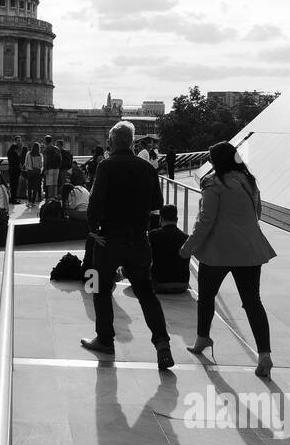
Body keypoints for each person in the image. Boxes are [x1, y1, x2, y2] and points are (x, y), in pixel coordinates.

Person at [81, 120, 174, 371]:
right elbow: (157, 201)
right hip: (138, 238)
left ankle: (105, 339)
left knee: (99, 289)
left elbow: (95, 202)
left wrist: (93, 230)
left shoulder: (106, 166)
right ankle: (162, 343)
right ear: (132, 142)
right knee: (146, 293)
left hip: (110, 238)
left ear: (111, 142)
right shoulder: (147, 167)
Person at [181, 141, 276, 377]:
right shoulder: (249, 181)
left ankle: (202, 338)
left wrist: (188, 247)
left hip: (218, 251)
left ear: (216, 162)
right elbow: (258, 214)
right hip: (250, 250)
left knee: (206, 297)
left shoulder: (214, 184)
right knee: (253, 302)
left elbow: (206, 221)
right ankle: (264, 353)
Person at [150, 204, 191, 293]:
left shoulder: (153, 235)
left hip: (160, 284)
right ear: (176, 219)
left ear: (160, 219)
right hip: (182, 285)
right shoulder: (186, 237)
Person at [5, 140, 23, 206]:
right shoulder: (15, 155)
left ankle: (12, 198)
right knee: (15, 186)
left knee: (12, 186)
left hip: (11, 171)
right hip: (15, 172)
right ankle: (13, 199)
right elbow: (18, 163)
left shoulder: (9, 154)